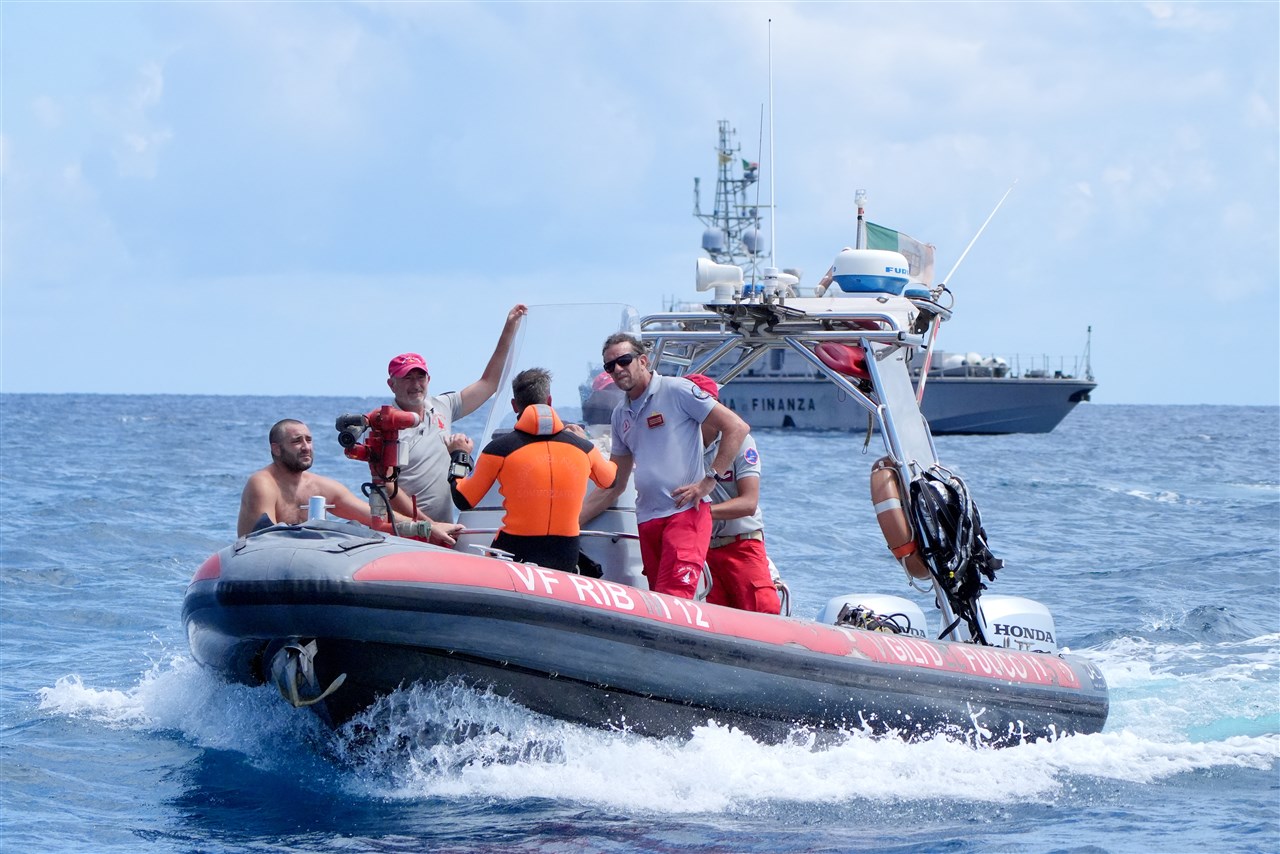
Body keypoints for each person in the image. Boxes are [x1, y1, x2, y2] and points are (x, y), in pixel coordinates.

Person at [579, 333, 750, 598]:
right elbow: (614, 485)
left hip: (685, 515)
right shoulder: (619, 414)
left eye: (624, 361)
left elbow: (737, 427)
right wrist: (567, 525)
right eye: (610, 366)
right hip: (647, 520)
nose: (618, 369)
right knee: (658, 598)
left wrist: (709, 479)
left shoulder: (676, 389)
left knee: (674, 598)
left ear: (643, 360)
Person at [446, 368, 616, 572]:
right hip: (565, 556)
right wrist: (587, 441)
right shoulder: (584, 448)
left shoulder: (499, 450)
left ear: (514, 405)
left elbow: (464, 500)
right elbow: (610, 481)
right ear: (550, 401)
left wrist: (459, 455)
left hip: (514, 554)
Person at [384, 304, 528, 525]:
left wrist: (510, 328)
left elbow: (489, 383)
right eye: (407, 378)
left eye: (420, 377)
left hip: (442, 526)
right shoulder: (385, 425)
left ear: (428, 380)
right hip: (407, 529)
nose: (415, 384)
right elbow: (388, 486)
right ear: (391, 385)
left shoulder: (442, 406)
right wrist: (427, 526)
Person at [236, 419, 463, 544]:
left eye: (309, 439)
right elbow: (264, 542)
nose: (306, 446)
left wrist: (429, 527)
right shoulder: (262, 483)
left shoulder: (322, 487)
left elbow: (374, 518)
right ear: (276, 448)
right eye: (297, 441)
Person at [684, 375, 782, 614]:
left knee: (763, 613)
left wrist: (701, 512)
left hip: (742, 546)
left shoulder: (741, 442)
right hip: (704, 552)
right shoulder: (683, 444)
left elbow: (749, 503)